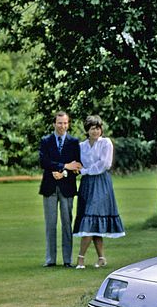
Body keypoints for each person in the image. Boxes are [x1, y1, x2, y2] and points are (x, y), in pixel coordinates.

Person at [73, 115, 126, 269]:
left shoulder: (105, 143)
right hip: (87, 184)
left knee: (90, 217)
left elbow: (105, 164)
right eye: (92, 128)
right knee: (93, 220)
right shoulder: (82, 146)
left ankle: (80, 258)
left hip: (101, 183)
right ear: (87, 130)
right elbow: (77, 164)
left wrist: (85, 170)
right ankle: (101, 258)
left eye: (98, 128)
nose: (95, 131)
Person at [39, 111, 82, 267]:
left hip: (67, 187)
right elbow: (44, 162)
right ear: (54, 124)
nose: (62, 126)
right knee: (50, 225)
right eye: (59, 123)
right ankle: (50, 260)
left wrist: (62, 172)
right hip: (49, 187)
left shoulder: (73, 142)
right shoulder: (46, 141)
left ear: (68, 124)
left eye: (65, 123)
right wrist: (63, 166)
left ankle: (67, 260)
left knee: (66, 224)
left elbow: (76, 165)